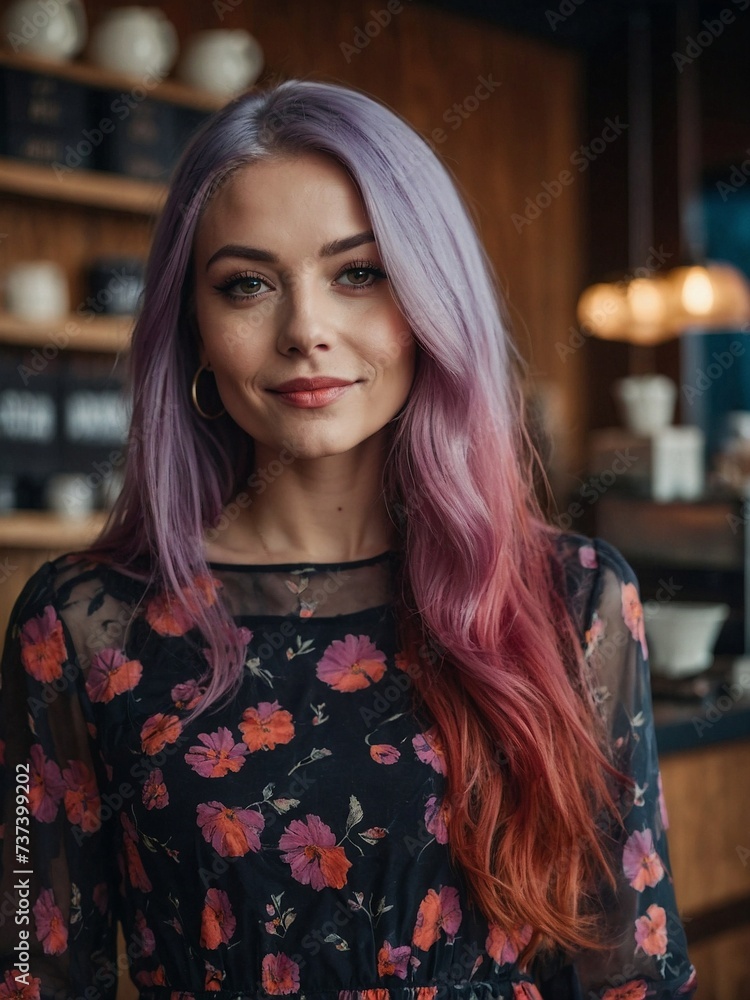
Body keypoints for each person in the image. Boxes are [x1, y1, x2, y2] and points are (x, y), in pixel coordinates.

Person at [0, 79, 696, 1000]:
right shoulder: (82, 627)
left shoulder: (570, 598)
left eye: (358, 273)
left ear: (430, 300)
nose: (305, 331)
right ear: (195, 329)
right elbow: (27, 968)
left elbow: (629, 976)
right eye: (247, 284)